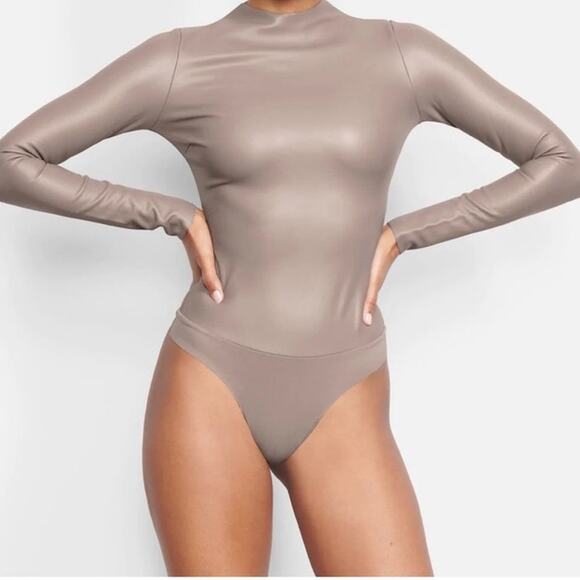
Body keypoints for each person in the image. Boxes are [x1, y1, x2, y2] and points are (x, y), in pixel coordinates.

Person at [1, 0, 579, 575]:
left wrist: (405, 234)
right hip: (212, 378)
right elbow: (13, 160)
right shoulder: (181, 59)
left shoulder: (402, 53)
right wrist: (169, 214)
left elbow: (560, 162)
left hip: (344, 389)